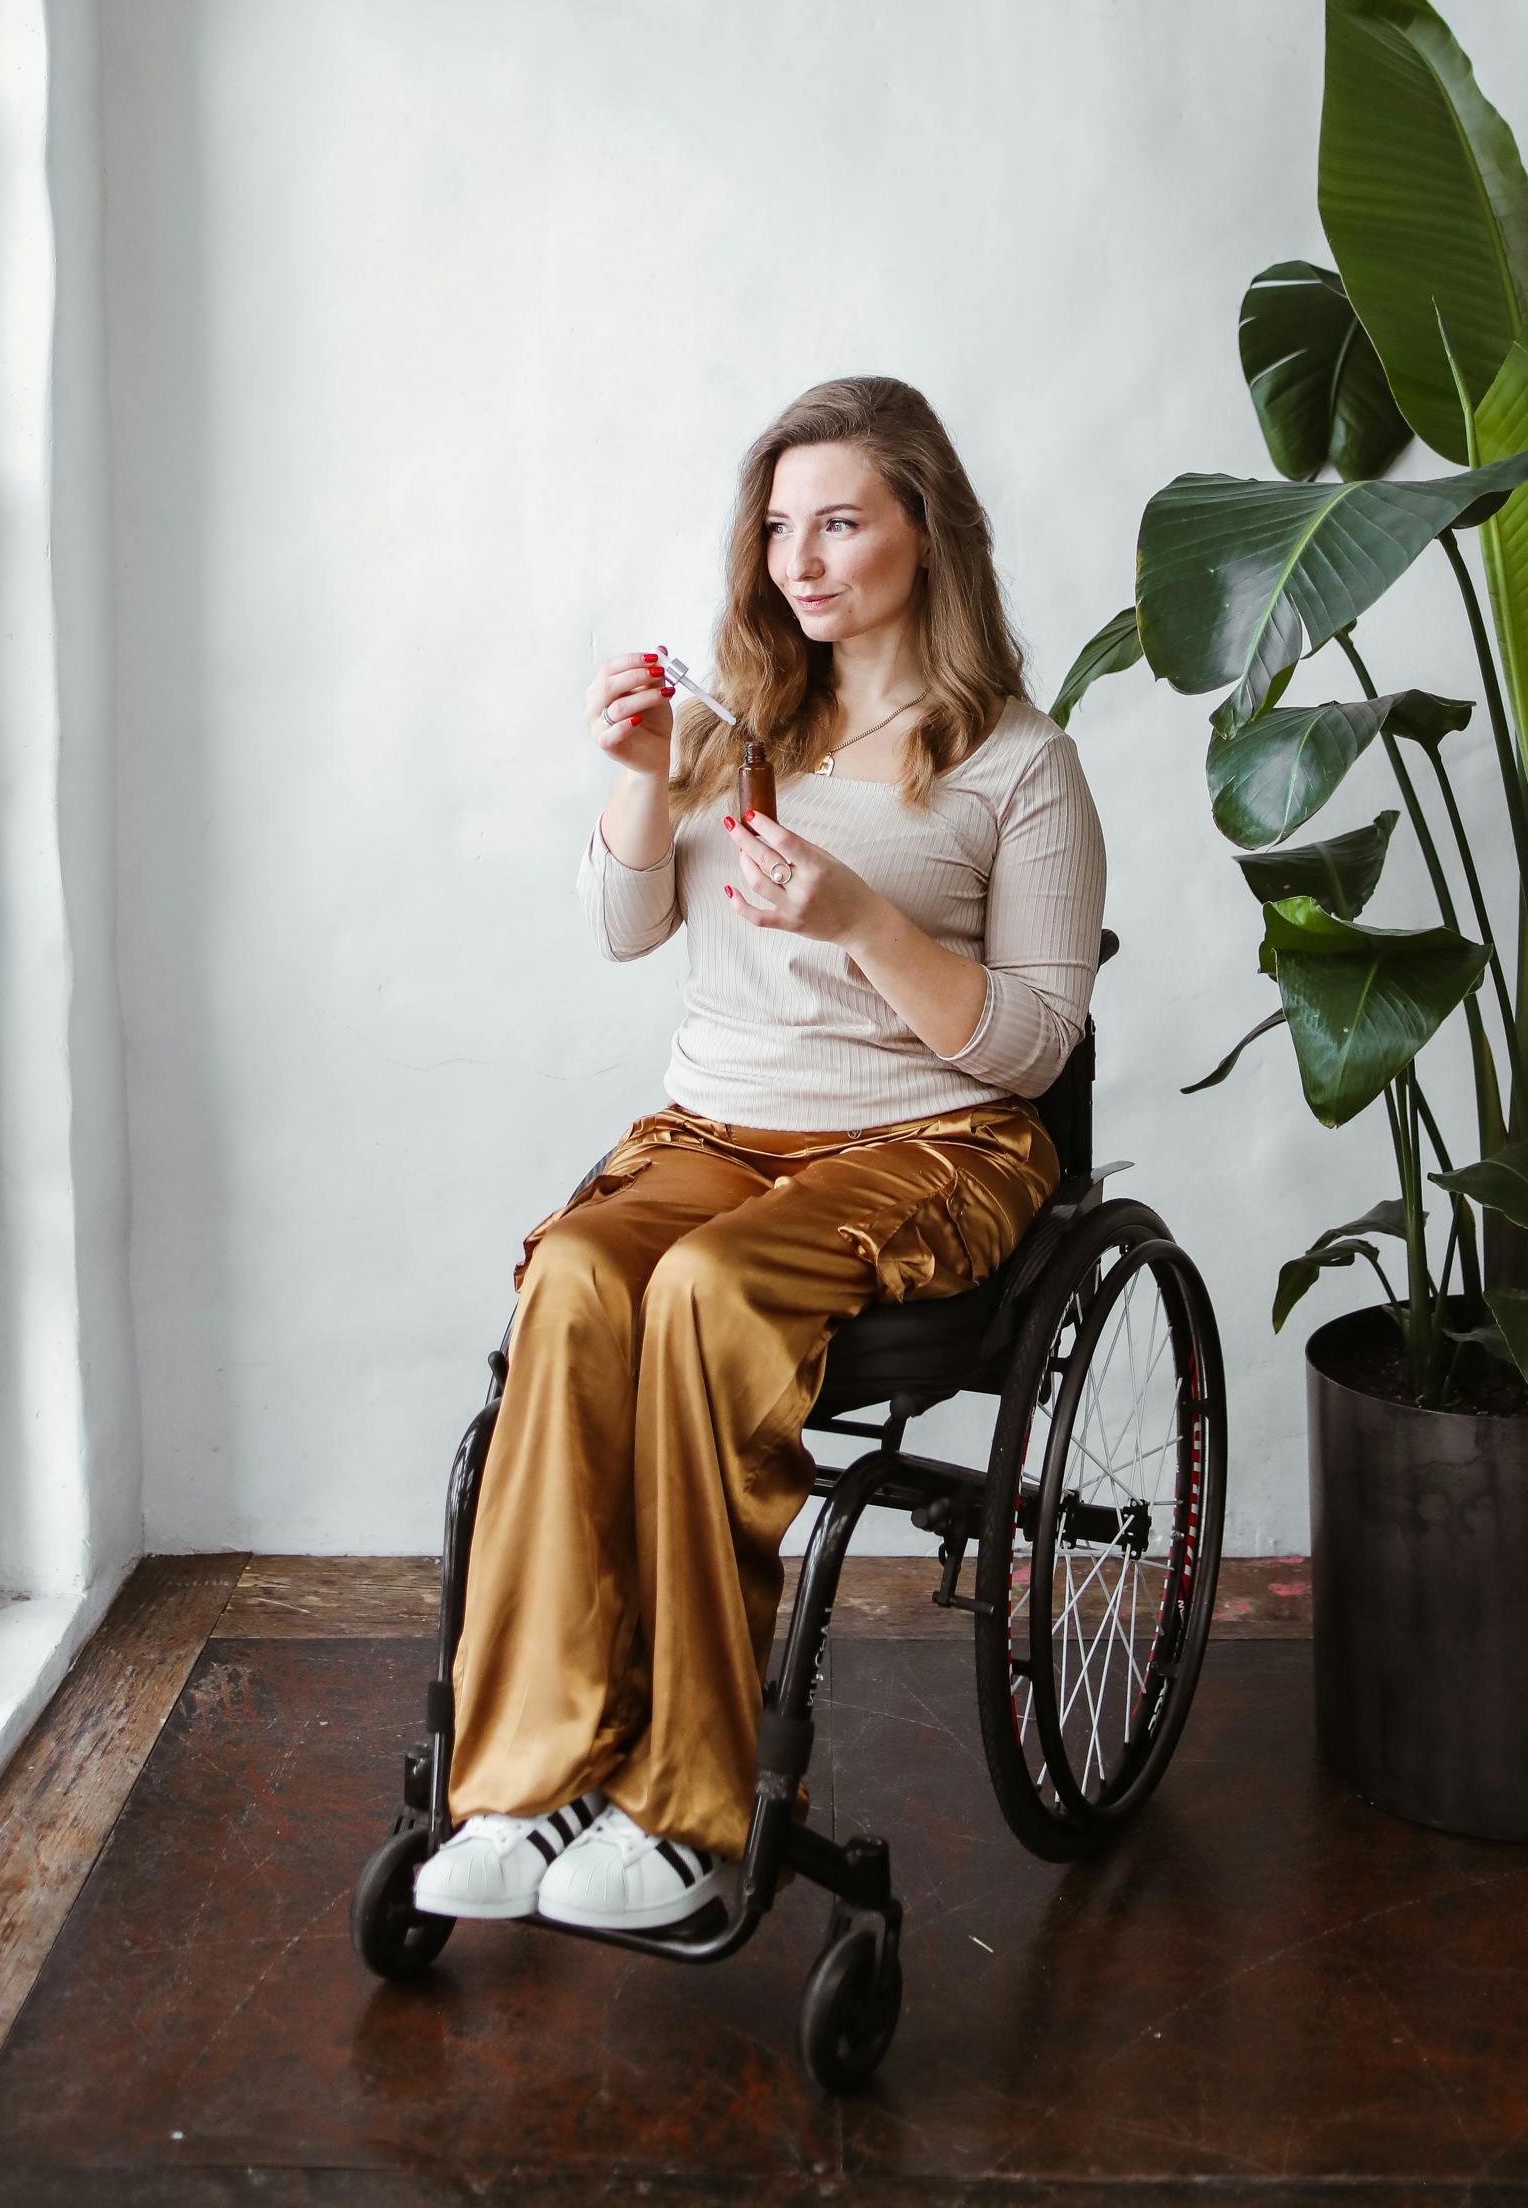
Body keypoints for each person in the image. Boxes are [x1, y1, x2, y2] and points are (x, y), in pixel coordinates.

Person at [414, 375, 1107, 1933]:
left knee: (713, 1296)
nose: (799, 557)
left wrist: (864, 920)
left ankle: (683, 1806)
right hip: (716, 1124)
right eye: (779, 525)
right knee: (583, 1276)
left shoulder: (1017, 765)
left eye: (839, 520)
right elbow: (622, 927)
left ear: (927, 534)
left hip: (932, 1136)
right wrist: (643, 767)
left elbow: (1034, 1050)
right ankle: (526, 1784)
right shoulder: (747, 734)